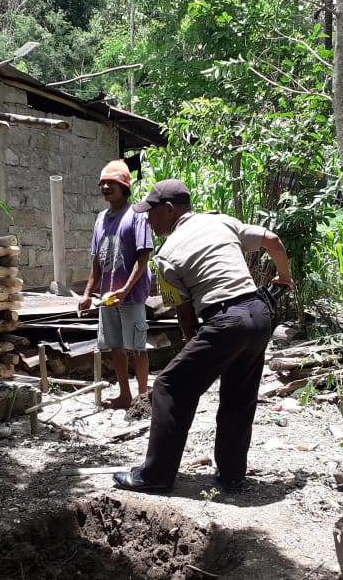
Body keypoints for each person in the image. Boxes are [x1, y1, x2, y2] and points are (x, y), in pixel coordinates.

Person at [112, 179, 293, 493]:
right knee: (239, 397)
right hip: (259, 314)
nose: (147, 219)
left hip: (225, 321)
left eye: (151, 213)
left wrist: (197, 345)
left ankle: (155, 476)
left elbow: (184, 314)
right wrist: (284, 278)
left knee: (170, 385)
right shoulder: (221, 221)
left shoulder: (166, 256)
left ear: (169, 210)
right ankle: (232, 475)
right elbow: (273, 240)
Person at [78, 160, 153, 409]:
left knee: (138, 348)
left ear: (124, 187)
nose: (106, 187)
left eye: (112, 183)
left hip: (130, 296)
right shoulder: (100, 219)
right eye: (103, 183)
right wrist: (88, 293)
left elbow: (143, 257)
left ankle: (142, 398)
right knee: (115, 347)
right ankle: (124, 395)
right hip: (107, 296)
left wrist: (126, 290)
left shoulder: (137, 216)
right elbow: (97, 261)